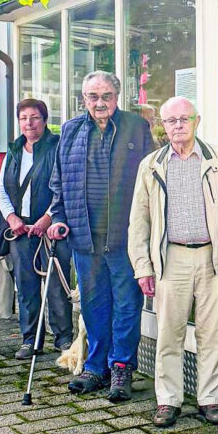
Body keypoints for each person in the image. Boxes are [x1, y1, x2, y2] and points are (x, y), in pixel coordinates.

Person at [128, 97, 218, 427]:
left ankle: (210, 399)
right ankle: (168, 400)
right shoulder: (151, 166)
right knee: (169, 334)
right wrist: (143, 267)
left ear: (197, 121)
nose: (178, 126)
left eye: (185, 119)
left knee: (212, 334)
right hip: (171, 259)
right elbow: (138, 222)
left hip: (213, 258)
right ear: (163, 126)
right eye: (171, 121)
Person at [46, 71, 155, 401]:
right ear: (84, 99)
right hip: (84, 236)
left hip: (125, 236)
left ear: (117, 97)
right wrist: (59, 218)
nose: (100, 103)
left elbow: (151, 181)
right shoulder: (70, 130)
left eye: (106, 96)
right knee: (94, 305)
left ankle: (121, 367)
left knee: (126, 305)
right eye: (93, 97)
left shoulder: (136, 127)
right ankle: (95, 367)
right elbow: (58, 181)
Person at [0, 99, 73, 359]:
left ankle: (64, 339)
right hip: (21, 230)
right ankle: (30, 339)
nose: (28, 123)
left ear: (45, 120)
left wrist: (48, 218)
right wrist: (11, 218)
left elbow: (65, 188)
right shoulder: (14, 150)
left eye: (34, 117)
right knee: (26, 286)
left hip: (50, 229)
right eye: (23, 118)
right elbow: (1, 190)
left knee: (56, 286)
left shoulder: (57, 147)